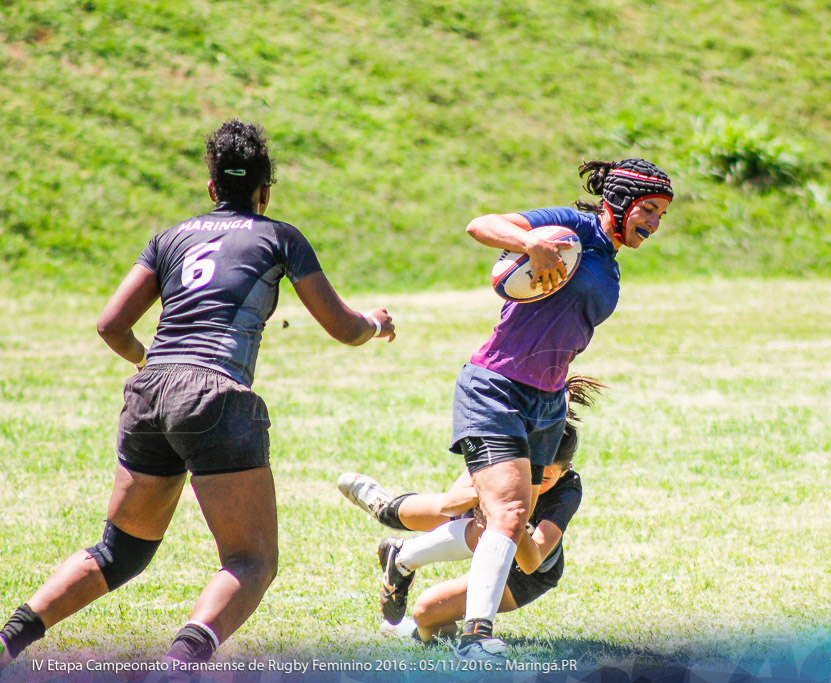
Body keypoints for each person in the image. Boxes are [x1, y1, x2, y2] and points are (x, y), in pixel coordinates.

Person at [0, 119, 396, 672]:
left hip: (150, 391)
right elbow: (344, 328)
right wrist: (376, 324)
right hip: (216, 396)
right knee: (250, 560)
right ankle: (178, 666)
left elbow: (111, 325)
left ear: (212, 188)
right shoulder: (279, 236)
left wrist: (154, 365)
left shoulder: (169, 238)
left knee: (120, 551)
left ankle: (8, 641)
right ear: (265, 191)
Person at [435, 158, 672, 661]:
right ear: (621, 201)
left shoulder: (608, 262)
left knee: (506, 516)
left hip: (546, 402)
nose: (653, 223)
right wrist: (531, 244)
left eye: (661, 215)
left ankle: (404, 559)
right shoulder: (575, 227)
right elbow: (482, 225)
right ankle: (477, 636)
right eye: (648, 209)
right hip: (495, 386)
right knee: (509, 510)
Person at [337, 376, 602, 645]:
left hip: (523, 575)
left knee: (425, 613)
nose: (534, 482)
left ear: (565, 470)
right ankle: (388, 516)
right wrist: (492, 493)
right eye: (531, 470)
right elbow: (449, 504)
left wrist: (509, 514)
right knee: (451, 514)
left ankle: (416, 630)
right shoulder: (507, 454)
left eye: (544, 479)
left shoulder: (569, 489)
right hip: (478, 524)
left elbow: (532, 562)